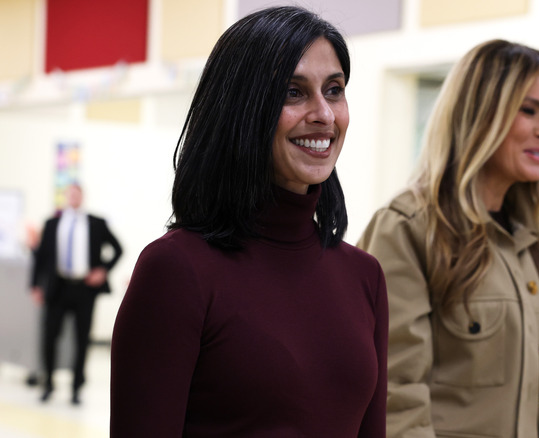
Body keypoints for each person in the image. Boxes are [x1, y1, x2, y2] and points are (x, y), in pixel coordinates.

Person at [110, 6, 388, 437]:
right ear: (243, 109)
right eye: (294, 93)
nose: (325, 115)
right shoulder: (176, 270)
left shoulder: (364, 276)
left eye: (334, 90)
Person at [358, 39, 539, 438]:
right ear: (480, 114)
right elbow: (394, 395)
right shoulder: (407, 228)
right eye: (530, 110)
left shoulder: (533, 236)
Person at [30, 183, 123, 405]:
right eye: (69, 194)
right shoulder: (52, 224)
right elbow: (41, 258)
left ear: (82, 196)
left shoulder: (96, 223)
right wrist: (35, 285)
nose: (73, 197)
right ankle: (48, 383)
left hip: (84, 289)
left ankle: (76, 387)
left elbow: (118, 248)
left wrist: (103, 270)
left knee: (82, 338)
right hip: (58, 288)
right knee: (50, 336)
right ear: (65, 197)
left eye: (77, 193)